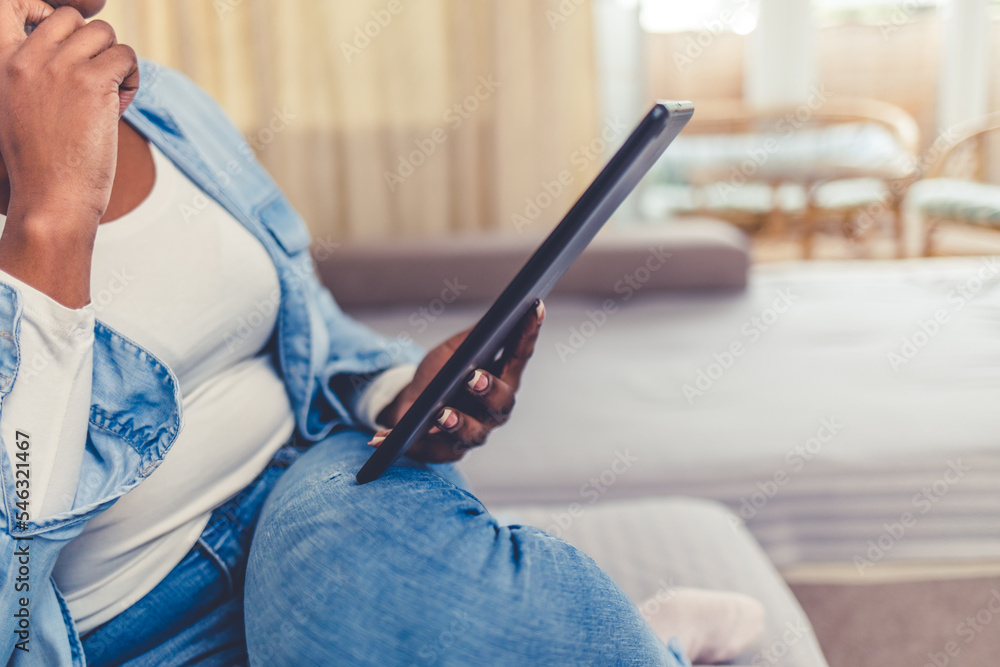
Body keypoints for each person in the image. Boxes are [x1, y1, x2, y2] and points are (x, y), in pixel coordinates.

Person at [0, 1, 765, 664]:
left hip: (311, 494)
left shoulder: (158, 107)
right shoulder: (52, 190)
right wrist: (53, 218)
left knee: (346, 582)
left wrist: (396, 391)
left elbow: (309, 330)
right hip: (123, 630)